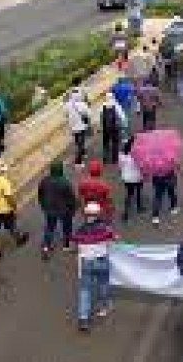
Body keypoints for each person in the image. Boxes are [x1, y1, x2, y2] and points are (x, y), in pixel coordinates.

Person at [72, 202, 116, 332]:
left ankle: (83, 318)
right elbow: (114, 238)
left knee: (85, 290)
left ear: (86, 215)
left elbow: (74, 244)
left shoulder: (80, 230)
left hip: (86, 263)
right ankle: (103, 307)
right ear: (98, 214)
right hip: (102, 261)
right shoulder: (105, 229)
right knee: (103, 284)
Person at [37, 160, 77, 260]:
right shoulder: (65, 182)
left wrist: (43, 205)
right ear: (61, 170)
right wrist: (73, 209)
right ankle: (66, 245)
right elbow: (71, 198)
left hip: (49, 209)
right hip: (64, 210)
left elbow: (40, 194)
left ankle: (46, 246)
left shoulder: (44, 180)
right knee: (67, 227)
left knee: (50, 227)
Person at [65, 78, 91, 167]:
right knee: (81, 141)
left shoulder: (68, 102)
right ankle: (78, 161)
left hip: (72, 124)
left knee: (77, 140)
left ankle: (82, 152)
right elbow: (88, 113)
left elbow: (66, 114)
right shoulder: (82, 96)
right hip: (81, 124)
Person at [118, 137, 144, 222]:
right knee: (139, 192)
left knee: (129, 195)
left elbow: (120, 166)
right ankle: (139, 207)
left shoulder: (122, 155)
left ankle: (126, 212)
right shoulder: (140, 155)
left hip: (127, 178)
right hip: (138, 177)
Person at [101, 92, 127, 165]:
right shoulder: (116, 105)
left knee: (106, 143)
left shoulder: (103, 105)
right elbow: (122, 117)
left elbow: (101, 117)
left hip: (106, 128)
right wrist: (123, 124)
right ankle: (114, 159)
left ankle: (105, 158)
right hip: (115, 127)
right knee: (115, 143)